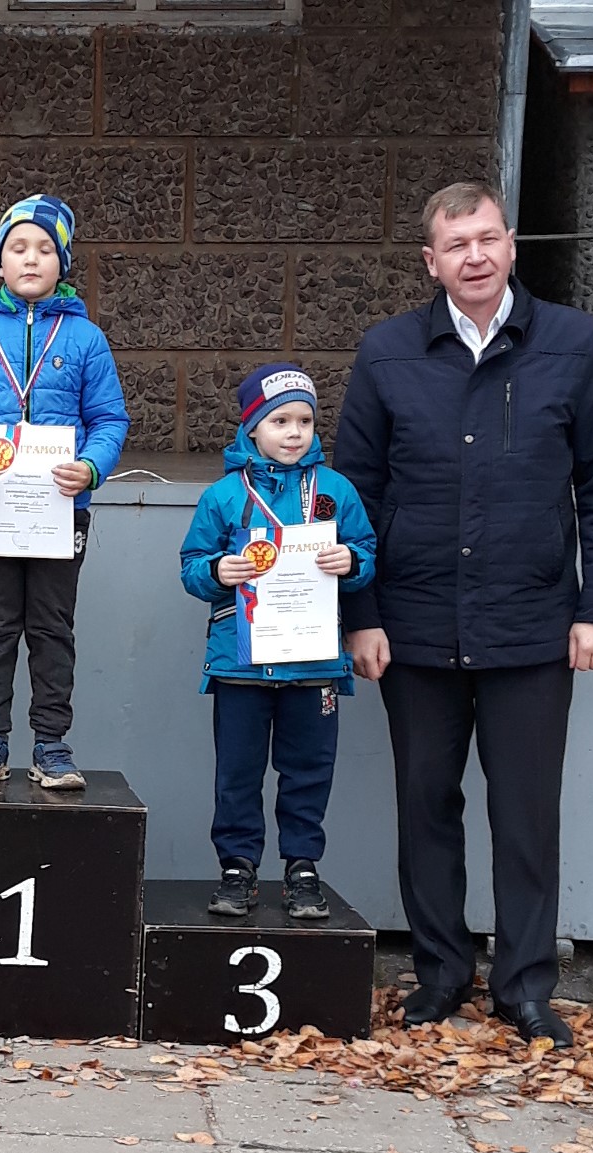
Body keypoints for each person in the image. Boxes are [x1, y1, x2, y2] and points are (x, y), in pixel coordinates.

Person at [333, 181, 593, 1046]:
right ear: (429, 262)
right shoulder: (387, 351)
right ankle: (439, 975)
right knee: (424, 805)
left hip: (531, 624)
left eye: (487, 239)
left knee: (525, 814)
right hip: (413, 623)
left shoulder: (573, 343)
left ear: (510, 246)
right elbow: (352, 498)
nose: (474, 256)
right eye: (455, 244)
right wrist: (360, 615)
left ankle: (524, 986)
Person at [0, 193, 130, 790]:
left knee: (52, 628)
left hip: (60, 510)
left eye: (45, 248)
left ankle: (52, 745)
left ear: (63, 262)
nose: (31, 258)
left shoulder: (87, 339)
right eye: (18, 247)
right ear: (0, 262)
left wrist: (91, 468)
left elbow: (110, 420)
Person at [180, 364, 376, 920]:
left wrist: (351, 561)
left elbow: (366, 553)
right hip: (241, 664)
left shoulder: (335, 491)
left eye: (305, 422)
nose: (294, 433)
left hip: (314, 664)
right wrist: (218, 570)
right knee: (237, 773)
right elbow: (191, 566)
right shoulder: (224, 496)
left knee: (309, 771)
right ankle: (237, 867)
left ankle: (302, 869)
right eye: (280, 421)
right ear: (251, 428)